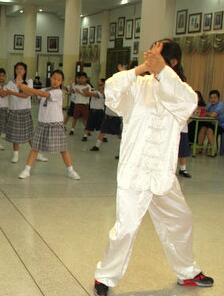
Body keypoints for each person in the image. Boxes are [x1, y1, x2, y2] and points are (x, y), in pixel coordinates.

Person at [93, 40, 213, 296]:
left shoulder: (180, 91)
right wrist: (139, 69)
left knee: (181, 220)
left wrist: (162, 71)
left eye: (156, 51)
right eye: (150, 51)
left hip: (162, 175)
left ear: (172, 61)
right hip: (135, 171)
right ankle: (104, 277)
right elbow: (112, 92)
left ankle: (188, 271)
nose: (150, 54)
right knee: (125, 228)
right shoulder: (137, 85)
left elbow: (185, 100)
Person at [15, 70, 80, 180]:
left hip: (55, 125)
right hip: (42, 124)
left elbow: (40, 94)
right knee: (35, 148)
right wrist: (20, 82)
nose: (55, 81)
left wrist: (22, 85)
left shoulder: (59, 92)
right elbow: (31, 93)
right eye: (54, 78)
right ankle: (27, 170)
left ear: (61, 82)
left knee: (63, 149)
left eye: (58, 80)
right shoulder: (45, 89)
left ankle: (71, 170)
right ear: (50, 78)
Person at [4, 62, 47, 163]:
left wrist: (14, 90)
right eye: (17, 69)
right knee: (15, 134)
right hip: (14, 111)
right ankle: (15, 155)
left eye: (22, 69)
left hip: (25, 111)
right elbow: (3, 93)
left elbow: (26, 95)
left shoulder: (29, 81)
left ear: (25, 71)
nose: (19, 70)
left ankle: (37, 154)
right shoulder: (10, 83)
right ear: (15, 70)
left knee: (30, 134)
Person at [197, 90, 223, 157]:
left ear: (218, 98)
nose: (213, 99)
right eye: (211, 98)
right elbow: (203, 112)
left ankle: (213, 151)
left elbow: (213, 115)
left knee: (209, 130)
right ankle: (200, 148)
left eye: (215, 97)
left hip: (220, 125)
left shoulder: (221, 105)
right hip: (212, 124)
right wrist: (207, 113)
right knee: (202, 128)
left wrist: (207, 113)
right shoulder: (209, 105)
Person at [70, 72, 92, 140]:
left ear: (86, 79)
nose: (81, 80)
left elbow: (87, 95)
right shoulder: (76, 86)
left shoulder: (88, 86)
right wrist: (71, 85)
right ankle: (72, 129)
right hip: (77, 104)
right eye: (79, 78)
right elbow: (71, 91)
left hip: (85, 105)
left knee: (85, 119)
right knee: (75, 117)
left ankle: (85, 135)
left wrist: (79, 92)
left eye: (83, 78)